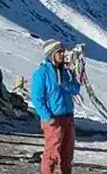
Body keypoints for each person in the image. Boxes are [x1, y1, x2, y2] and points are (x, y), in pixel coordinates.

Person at [32, 39, 81, 174]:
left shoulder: (65, 72)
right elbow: (37, 98)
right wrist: (48, 117)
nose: (62, 54)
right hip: (54, 119)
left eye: (63, 51)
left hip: (68, 117)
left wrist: (74, 78)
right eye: (59, 51)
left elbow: (75, 89)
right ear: (51, 54)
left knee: (67, 155)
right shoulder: (42, 73)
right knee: (52, 154)